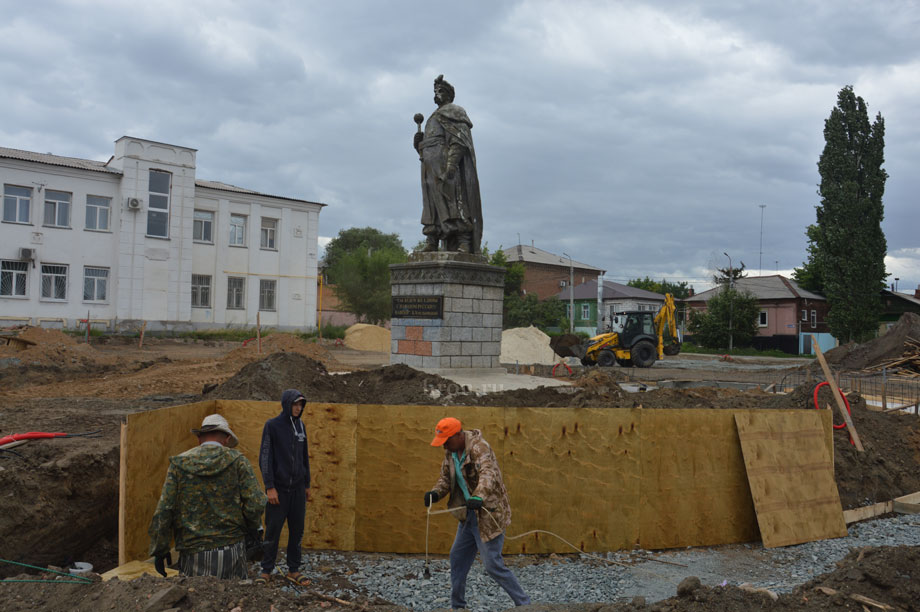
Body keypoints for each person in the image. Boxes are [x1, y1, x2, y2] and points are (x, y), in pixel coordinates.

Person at [424, 417, 530, 609]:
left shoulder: (479, 448)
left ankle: (525, 604)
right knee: (457, 557)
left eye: (447, 440)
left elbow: (489, 474)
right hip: (468, 516)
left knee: (492, 565)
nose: (444, 446)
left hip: (488, 515)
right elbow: (445, 479)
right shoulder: (450, 453)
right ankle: (458, 606)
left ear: (458, 435)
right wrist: (435, 494)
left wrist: (479, 496)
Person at [148, 414, 266, 579]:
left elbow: (164, 510)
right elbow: (256, 503)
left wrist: (160, 549)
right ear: (226, 439)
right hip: (231, 549)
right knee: (233, 599)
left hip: (192, 552)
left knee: (196, 600)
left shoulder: (179, 464)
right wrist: (252, 529)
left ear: (199, 439)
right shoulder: (238, 462)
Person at [413, 74, 483, 254]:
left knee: (453, 201)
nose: (437, 94)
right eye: (435, 91)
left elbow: (459, 141)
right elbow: (425, 149)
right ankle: (432, 239)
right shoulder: (432, 117)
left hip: (445, 165)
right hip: (429, 167)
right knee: (431, 205)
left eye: (441, 91)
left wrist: (451, 166)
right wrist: (418, 143)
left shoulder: (454, 111)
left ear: (450, 95)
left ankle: (464, 241)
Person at [257, 389, 312, 586]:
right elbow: (265, 457)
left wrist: (306, 484)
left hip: (297, 489)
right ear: (286, 404)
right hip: (278, 490)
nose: (298, 408)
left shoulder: (301, 426)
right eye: (295, 404)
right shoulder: (273, 426)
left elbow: (304, 457)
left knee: (297, 531)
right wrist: (270, 486)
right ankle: (266, 569)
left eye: (301, 405)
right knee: (272, 531)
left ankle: (294, 569)